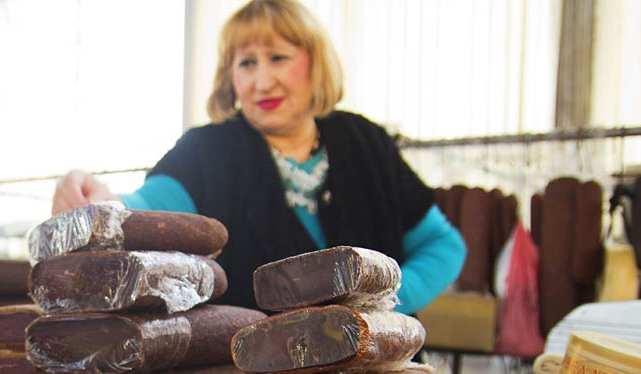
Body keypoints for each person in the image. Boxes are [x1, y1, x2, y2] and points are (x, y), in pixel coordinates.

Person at [51, 0, 465, 312]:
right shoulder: (208, 151)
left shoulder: (365, 142)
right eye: (247, 63)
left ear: (315, 63)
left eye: (278, 58)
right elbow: (145, 213)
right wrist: (97, 205)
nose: (262, 81)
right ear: (231, 78)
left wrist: (385, 302)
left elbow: (443, 245)